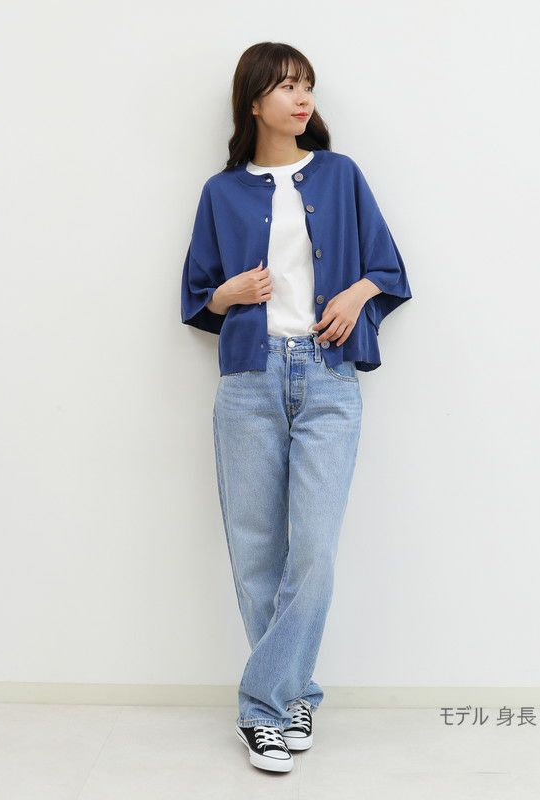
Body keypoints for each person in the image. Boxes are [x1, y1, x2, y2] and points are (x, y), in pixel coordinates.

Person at [180, 42, 413, 773]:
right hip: (250, 382)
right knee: (256, 552)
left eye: (306, 84)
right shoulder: (222, 192)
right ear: (253, 102)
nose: (301, 96)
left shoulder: (340, 175)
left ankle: (263, 705)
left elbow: (390, 269)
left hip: (328, 379)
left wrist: (355, 294)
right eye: (284, 86)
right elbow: (196, 297)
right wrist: (228, 295)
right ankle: (290, 699)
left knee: (312, 551)